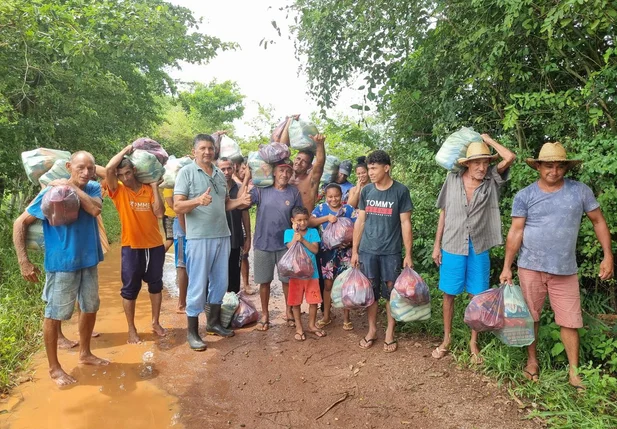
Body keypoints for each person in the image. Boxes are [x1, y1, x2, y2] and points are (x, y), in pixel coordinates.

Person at [499, 142, 613, 389]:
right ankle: (532, 362)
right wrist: (507, 266)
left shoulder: (580, 191)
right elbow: (515, 232)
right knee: (531, 317)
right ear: (538, 166)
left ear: (566, 167)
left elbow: (598, 222)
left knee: (570, 321)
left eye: (559, 166)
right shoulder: (525, 195)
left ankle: (574, 372)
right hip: (530, 266)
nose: (554, 171)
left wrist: (608, 255)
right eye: (548, 165)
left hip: (565, 269)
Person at [13, 151, 108, 386]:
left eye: (90, 168)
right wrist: (24, 261)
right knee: (54, 314)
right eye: (81, 168)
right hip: (62, 264)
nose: (86, 172)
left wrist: (72, 187)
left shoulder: (93, 188)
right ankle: (54, 369)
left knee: (90, 306)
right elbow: (19, 223)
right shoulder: (51, 193)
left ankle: (85, 353)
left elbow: (95, 210)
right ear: (69, 166)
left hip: (89, 260)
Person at [431, 135, 516, 363]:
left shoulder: (492, 180)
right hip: (452, 243)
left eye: (485, 162)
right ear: (466, 163)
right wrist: (436, 245)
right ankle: (447, 338)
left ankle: (473, 342)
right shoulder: (452, 179)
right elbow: (444, 212)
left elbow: (510, 157)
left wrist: (488, 139)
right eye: (477, 162)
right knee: (449, 294)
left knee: (476, 296)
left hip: (479, 245)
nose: (481, 167)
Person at [174, 134, 251, 351]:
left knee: (220, 281)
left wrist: (240, 202)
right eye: (203, 148)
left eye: (210, 148)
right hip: (199, 237)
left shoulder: (218, 173)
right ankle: (192, 332)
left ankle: (214, 323)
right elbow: (178, 206)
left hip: (222, 235)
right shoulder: (186, 173)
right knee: (198, 283)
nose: (207, 152)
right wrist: (197, 200)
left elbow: (224, 204)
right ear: (194, 151)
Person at [350, 150, 413, 353]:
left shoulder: (400, 191)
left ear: (387, 168)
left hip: (391, 252)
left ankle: (390, 332)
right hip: (368, 250)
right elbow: (360, 221)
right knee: (371, 292)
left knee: (390, 292)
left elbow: (405, 223)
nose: (371, 172)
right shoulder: (367, 191)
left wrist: (408, 254)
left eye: (374, 168)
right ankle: (372, 330)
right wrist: (355, 250)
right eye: (369, 168)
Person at [105, 144, 167, 344]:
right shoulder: (118, 191)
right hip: (131, 247)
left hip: (154, 246)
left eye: (128, 172)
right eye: (121, 174)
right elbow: (107, 170)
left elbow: (159, 213)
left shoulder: (149, 189)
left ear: (135, 171)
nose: (125, 178)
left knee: (155, 285)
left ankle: (155, 322)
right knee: (130, 289)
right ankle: (131, 329)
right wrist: (126, 149)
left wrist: (156, 187)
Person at [248, 158, 304, 331]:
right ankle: (265, 314)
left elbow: (298, 216)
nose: (285, 174)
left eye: (288, 172)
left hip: (285, 245)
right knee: (264, 282)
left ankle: (288, 312)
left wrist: (298, 234)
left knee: (287, 281)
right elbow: (245, 200)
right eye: (281, 171)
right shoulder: (262, 189)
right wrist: (247, 178)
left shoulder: (294, 192)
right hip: (262, 243)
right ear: (274, 172)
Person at [309, 183, 356, 331]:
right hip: (327, 254)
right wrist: (326, 218)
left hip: (345, 254)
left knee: (345, 285)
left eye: (336, 196)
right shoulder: (321, 209)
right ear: (325, 196)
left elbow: (357, 227)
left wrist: (351, 244)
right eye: (330, 196)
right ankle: (326, 316)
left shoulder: (348, 209)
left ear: (341, 196)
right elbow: (310, 221)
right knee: (328, 285)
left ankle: (346, 319)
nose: (333, 199)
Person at [284, 206, 324, 340]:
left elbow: (315, 250)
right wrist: (296, 236)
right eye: (299, 220)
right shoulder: (289, 233)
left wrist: (303, 239)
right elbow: (290, 246)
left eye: (305, 220)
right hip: (296, 274)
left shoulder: (313, 232)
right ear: (293, 220)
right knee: (296, 302)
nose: (303, 223)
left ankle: (312, 325)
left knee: (314, 301)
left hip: (312, 274)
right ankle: (299, 327)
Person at [217, 157, 250, 294]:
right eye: (222, 169)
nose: (226, 172)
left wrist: (248, 236)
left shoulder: (239, 189)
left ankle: (233, 304)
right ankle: (217, 307)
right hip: (218, 239)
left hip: (235, 238)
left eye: (228, 168)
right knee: (218, 274)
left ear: (233, 168)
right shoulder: (214, 188)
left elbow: (244, 212)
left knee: (234, 273)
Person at [232, 157, 254, 295]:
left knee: (243, 256)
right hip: (228, 226)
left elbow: (244, 208)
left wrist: (248, 236)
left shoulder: (241, 185)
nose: (244, 172)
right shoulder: (232, 182)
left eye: (246, 169)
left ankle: (245, 284)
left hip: (239, 226)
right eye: (242, 169)